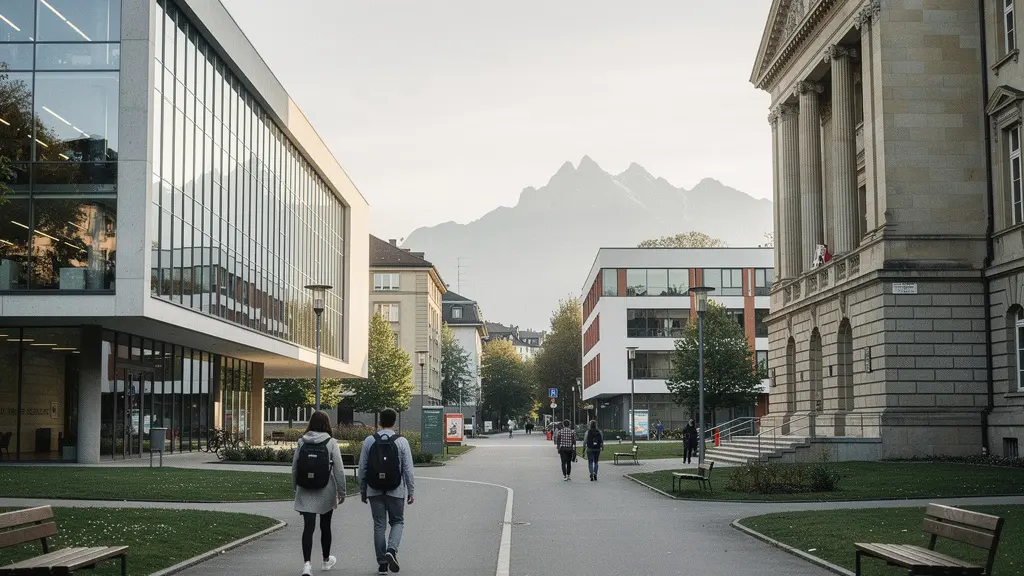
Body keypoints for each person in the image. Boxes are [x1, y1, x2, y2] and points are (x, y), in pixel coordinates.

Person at [359, 408, 415, 576]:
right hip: (395, 490)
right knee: (397, 522)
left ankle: (382, 564)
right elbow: (408, 470)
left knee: (379, 525)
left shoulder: (369, 441)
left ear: (379, 422)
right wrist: (411, 491)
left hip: (374, 490)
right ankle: (392, 549)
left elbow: (363, 468)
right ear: (394, 423)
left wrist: (363, 490)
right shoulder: (402, 441)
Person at [292, 411, 346, 575]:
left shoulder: (302, 441)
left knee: (308, 528)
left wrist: (296, 487)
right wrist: (342, 491)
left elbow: (295, 466)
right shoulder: (331, 442)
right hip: (326, 489)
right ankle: (325, 560)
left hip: (305, 489)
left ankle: (307, 565)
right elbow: (339, 470)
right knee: (325, 526)